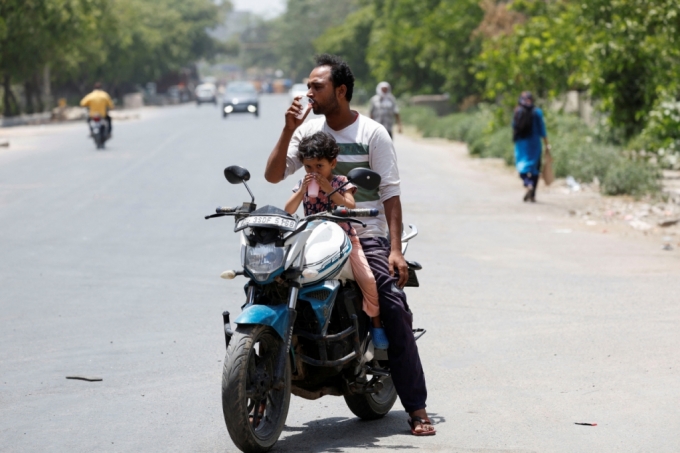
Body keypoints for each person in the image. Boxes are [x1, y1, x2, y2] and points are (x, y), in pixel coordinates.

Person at [265, 54, 435, 436]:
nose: (309, 92)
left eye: (316, 86)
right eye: (308, 85)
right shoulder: (306, 132)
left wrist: (395, 250)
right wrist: (287, 128)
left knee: (391, 303)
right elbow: (275, 175)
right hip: (312, 231)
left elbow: (390, 194)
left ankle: (417, 408)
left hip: (365, 230)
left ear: (340, 91)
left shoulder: (373, 133)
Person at [284, 131, 389, 349]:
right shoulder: (302, 184)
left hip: (343, 237)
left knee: (368, 278)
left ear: (333, 163)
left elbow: (350, 205)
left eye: (319, 166)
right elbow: (289, 209)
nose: (314, 172)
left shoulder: (342, 182)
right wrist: (302, 189)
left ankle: (377, 325)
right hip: (312, 238)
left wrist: (329, 189)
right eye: (308, 167)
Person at [512, 91, 551, 202]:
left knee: (521, 166)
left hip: (521, 144)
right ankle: (533, 194)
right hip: (535, 144)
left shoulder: (517, 111)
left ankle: (527, 183)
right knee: (535, 169)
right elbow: (542, 130)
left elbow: (514, 127)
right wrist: (546, 143)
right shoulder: (537, 112)